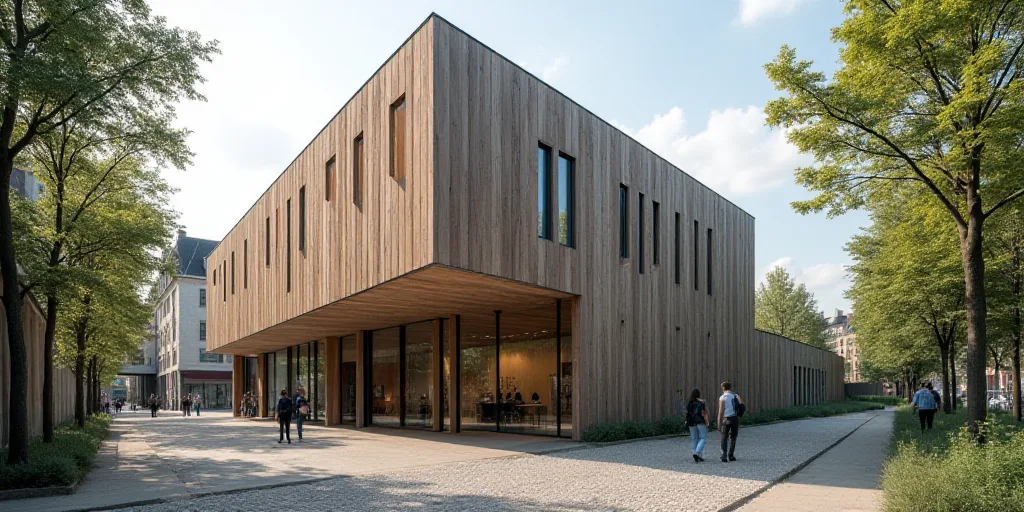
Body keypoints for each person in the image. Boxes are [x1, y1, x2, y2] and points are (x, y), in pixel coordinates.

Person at [717, 381, 743, 463]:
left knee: (724, 437)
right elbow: (741, 406)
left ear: (723, 388)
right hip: (735, 418)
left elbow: (721, 411)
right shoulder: (735, 396)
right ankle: (731, 455)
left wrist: (718, 423)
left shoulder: (722, 397)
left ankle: (724, 455)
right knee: (733, 437)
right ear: (730, 387)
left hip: (726, 419)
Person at [684, 389, 709, 463]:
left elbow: (687, 413)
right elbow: (704, 413)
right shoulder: (701, 402)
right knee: (703, 438)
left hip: (691, 422)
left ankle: (695, 453)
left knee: (694, 439)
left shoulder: (689, 403)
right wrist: (707, 422)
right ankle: (697, 453)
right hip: (700, 421)